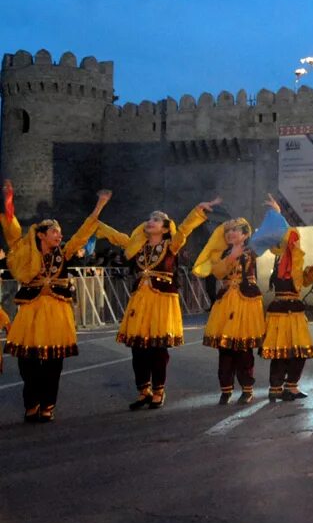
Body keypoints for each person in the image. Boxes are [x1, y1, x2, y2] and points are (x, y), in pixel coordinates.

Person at [0, 181, 112, 422]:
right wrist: (9, 201)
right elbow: (12, 232)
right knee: (27, 360)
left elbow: (83, 233)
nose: (59, 235)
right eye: (54, 232)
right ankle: (31, 402)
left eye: (59, 232)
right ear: (41, 235)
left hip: (57, 312)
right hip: (31, 311)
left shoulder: (65, 252)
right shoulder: (27, 252)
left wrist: (99, 205)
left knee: (53, 362)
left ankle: (48, 404)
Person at [96, 197, 220, 409]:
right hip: (140, 300)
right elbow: (117, 237)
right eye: (149, 219)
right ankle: (143, 390)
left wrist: (197, 210)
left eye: (156, 220)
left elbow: (184, 230)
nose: (150, 221)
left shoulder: (171, 245)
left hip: (162, 301)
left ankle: (158, 390)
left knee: (157, 348)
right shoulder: (137, 246)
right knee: (138, 347)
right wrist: (95, 221)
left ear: (164, 229)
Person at [195, 216, 266, 405]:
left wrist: (276, 213)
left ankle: (247, 389)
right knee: (225, 348)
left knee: (243, 348)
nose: (230, 234)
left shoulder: (253, 250)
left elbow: (270, 235)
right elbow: (217, 272)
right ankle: (225, 389)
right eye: (228, 231)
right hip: (226, 301)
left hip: (246, 301)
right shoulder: (222, 253)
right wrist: (231, 256)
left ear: (245, 234)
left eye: (235, 230)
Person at [257, 196, 313, 402]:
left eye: (295, 239)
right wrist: (277, 214)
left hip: (295, 309)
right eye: (291, 239)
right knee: (279, 351)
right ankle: (275, 388)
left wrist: (309, 275)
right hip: (279, 310)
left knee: (299, 351)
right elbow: (285, 234)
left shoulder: (297, 259)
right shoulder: (278, 258)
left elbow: (302, 283)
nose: (294, 240)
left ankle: (291, 386)